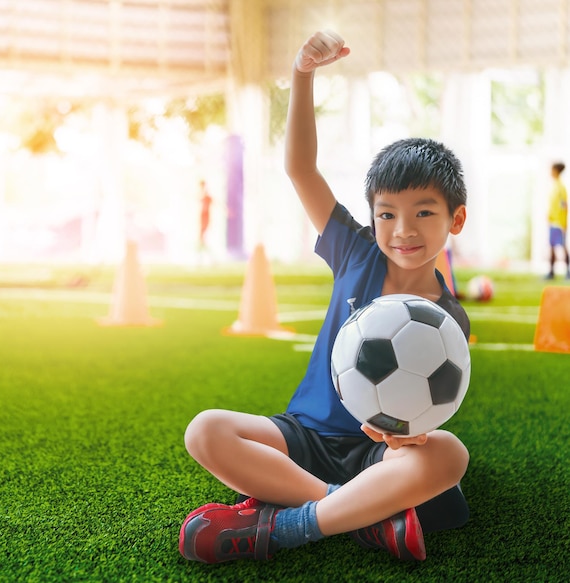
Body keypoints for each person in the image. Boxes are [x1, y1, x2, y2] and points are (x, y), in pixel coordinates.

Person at [179, 30, 470, 564]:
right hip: (302, 439)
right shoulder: (355, 252)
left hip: (377, 455)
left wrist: (403, 441)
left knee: (450, 456)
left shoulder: (449, 319)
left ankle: (287, 525)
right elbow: (300, 168)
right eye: (387, 214)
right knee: (206, 431)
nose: (402, 229)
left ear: (455, 218)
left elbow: (423, 424)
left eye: (423, 213)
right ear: (373, 217)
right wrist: (302, 75)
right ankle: (359, 517)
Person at [544, 162, 569, 279]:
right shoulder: (554, 186)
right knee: (552, 247)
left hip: (559, 223)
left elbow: (564, 206)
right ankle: (551, 272)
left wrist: (564, 224)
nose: (550, 172)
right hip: (553, 222)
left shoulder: (561, 188)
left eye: (552, 170)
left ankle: (568, 271)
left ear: (556, 171)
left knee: (562, 247)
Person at [198, 179, 213, 248]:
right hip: (203, 214)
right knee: (202, 231)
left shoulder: (207, 196)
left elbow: (215, 202)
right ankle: (202, 245)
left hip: (206, 215)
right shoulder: (201, 195)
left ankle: (204, 245)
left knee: (204, 231)